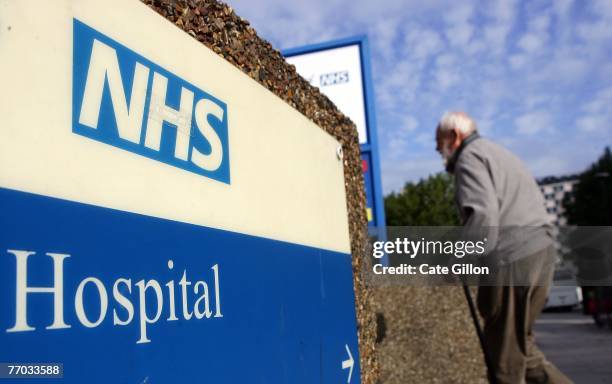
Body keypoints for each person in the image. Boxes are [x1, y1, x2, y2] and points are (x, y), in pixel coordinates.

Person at [435, 111, 573, 384]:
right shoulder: (501, 154)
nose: (438, 150)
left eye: (438, 142)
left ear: (454, 136)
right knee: (523, 352)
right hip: (541, 252)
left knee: (505, 365)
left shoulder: (470, 158)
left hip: (513, 258)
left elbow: (483, 217)